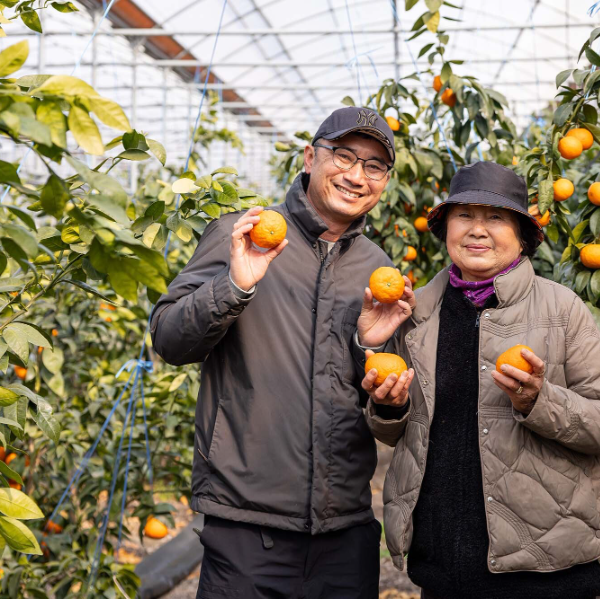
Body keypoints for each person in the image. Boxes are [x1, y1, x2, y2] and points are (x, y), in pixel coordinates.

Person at [150, 107, 416, 599]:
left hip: (345, 531)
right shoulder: (245, 233)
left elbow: (383, 404)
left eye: (375, 166)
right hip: (248, 527)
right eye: (344, 156)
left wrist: (371, 347)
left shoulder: (378, 267)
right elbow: (168, 339)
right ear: (311, 157)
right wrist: (234, 285)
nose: (357, 176)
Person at [357, 161, 600, 599]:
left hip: (547, 570)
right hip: (443, 566)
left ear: (522, 237)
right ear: (446, 228)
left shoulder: (561, 309)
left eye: (495, 217)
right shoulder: (418, 311)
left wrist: (539, 402)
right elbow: (401, 433)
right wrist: (389, 407)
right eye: (464, 215)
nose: (477, 229)